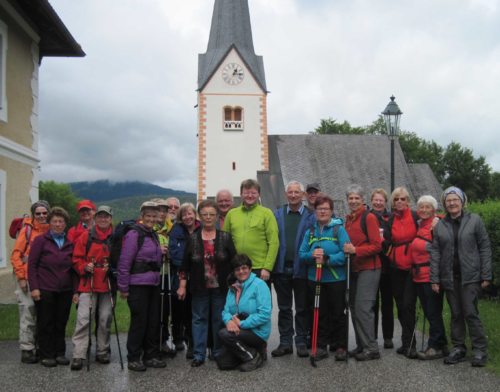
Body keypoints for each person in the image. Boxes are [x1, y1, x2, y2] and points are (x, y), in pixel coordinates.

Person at [430, 187, 491, 367]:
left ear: (462, 201)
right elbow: (435, 253)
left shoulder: (475, 220)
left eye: (455, 199)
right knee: (456, 314)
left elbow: (485, 247)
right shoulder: (440, 225)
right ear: (444, 204)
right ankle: (458, 348)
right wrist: (435, 279)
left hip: (470, 277)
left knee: (470, 313)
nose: (452, 203)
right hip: (449, 278)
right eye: (448, 200)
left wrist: (486, 274)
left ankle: (480, 350)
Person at [178, 200, 236, 367]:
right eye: (205, 214)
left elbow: (234, 262)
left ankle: (217, 352)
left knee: (218, 319)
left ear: (217, 216)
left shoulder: (225, 237)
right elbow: (185, 266)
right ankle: (199, 354)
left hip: (221, 288)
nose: (208, 217)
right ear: (200, 216)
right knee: (199, 319)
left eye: (212, 214)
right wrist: (182, 286)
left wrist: (236, 282)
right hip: (198, 287)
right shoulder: (193, 238)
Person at [299, 193, 350, 361]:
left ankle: (340, 345)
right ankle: (321, 346)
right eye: (320, 209)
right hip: (316, 279)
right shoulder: (311, 231)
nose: (322, 212)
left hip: (336, 279)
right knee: (319, 313)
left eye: (326, 209)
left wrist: (328, 259)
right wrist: (312, 255)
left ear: (331, 211)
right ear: (315, 211)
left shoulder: (338, 229)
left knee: (337, 313)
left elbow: (346, 254)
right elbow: (302, 254)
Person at [117, 201, 166, 371]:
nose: (152, 219)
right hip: (137, 285)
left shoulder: (152, 234)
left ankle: (150, 355)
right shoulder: (133, 234)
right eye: (149, 216)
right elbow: (124, 261)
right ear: (142, 217)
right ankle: (134, 357)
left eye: (154, 216)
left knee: (153, 321)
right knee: (139, 321)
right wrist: (123, 287)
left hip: (153, 283)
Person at [28, 207, 76, 367]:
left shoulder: (70, 243)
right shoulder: (40, 241)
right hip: (45, 288)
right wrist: (34, 287)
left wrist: (75, 290)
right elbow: (32, 265)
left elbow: (74, 269)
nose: (57, 224)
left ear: (65, 224)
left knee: (61, 322)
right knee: (46, 322)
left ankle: (59, 353)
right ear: (49, 223)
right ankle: (46, 354)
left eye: (60, 221)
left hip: (65, 290)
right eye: (54, 221)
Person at [271, 181, 314, 359]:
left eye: (297, 192)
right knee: (284, 308)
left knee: (303, 307)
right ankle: (285, 342)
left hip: (302, 269)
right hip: (281, 269)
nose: (294, 195)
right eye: (291, 192)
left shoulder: (311, 216)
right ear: (286, 194)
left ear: (303, 195)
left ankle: (302, 341)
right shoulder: (277, 214)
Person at [70, 206, 114, 370]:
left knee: (105, 318)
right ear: (95, 218)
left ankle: (102, 351)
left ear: (110, 219)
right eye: (100, 216)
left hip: (108, 284)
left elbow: (121, 257)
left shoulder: (116, 237)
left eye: (107, 216)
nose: (103, 219)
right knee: (83, 319)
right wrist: (84, 266)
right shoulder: (86, 236)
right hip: (88, 283)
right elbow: (76, 258)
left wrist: (113, 266)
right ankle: (79, 354)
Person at [344, 185, 382, 361]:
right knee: (353, 308)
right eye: (350, 198)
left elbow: (377, 245)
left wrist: (355, 250)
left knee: (363, 308)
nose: (353, 201)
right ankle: (361, 344)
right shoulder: (349, 219)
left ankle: (372, 348)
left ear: (363, 200)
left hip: (369, 268)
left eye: (356, 198)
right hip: (354, 269)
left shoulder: (369, 217)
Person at [10, 200, 50, 364]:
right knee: (28, 312)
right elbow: (15, 255)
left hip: (44, 278)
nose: (41, 216)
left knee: (43, 314)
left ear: (48, 213)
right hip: (26, 277)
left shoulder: (51, 230)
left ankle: (41, 347)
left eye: (44, 213)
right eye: (38, 213)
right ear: (33, 214)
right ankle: (27, 350)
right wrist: (20, 277)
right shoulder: (26, 230)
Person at [409, 196, 448, 361]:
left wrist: (435, 279)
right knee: (431, 312)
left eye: (428, 207)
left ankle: (434, 347)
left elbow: (440, 249)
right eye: (421, 207)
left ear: (434, 209)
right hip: (419, 276)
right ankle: (443, 344)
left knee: (433, 312)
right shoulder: (420, 225)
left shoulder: (437, 224)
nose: (424, 210)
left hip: (431, 276)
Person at [218, 254, 272, 372]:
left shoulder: (260, 285)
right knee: (223, 363)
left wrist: (242, 324)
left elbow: (265, 314)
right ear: (234, 272)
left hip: (257, 332)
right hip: (241, 330)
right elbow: (226, 311)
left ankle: (254, 356)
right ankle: (256, 351)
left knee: (224, 334)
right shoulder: (233, 288)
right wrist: (228, 322)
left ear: (250, 269)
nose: (241, 271)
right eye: (237, 269)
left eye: (244, 268)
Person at [223, 179, 279, 286]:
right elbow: (225, 241)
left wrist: (267, 268)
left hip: (259, 269)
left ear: (259, 194)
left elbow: (274, 243)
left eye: (253, 193)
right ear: (241, 194)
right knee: (238, 301)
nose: (250, 196)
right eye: (246, 193)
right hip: (237, 268)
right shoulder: (231, 214)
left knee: (260, 301)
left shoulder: (267, 213)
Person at [386, 187, 418, 358]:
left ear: (408, 201)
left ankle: (411, 344)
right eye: (396, 199)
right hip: (396, 268)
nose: (399, 202)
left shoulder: (415, 216)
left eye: (403, 199)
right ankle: (406, 342)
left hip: (413, 268)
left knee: (408, 305)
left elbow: (432, 223)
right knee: (400, 305)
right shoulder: (391, 220)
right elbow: (385, 240)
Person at [169, 202, 201, 357]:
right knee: (179, 309)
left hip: (197, 277)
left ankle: (192, 343)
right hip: (180, 274)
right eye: (184, 214)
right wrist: (188, 263)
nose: (188, 217)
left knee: (193, 310)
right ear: (181, 217)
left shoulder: (201, 229)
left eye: (190, 213)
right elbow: (174, 253)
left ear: (195, 214)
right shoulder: (176, 230)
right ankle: (177, 338)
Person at [370, 188, 395, 349]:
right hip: (371, 264)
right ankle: (372, 337)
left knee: (387, 304)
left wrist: (383, 239)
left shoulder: (391, 217)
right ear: (371, 201)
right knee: (372, 304)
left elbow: (395, 238)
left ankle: (388, 337)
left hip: (388, 265)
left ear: (385, 202)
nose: (378, 202)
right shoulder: (367, 216)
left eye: (381, 200)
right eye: (376, 200)